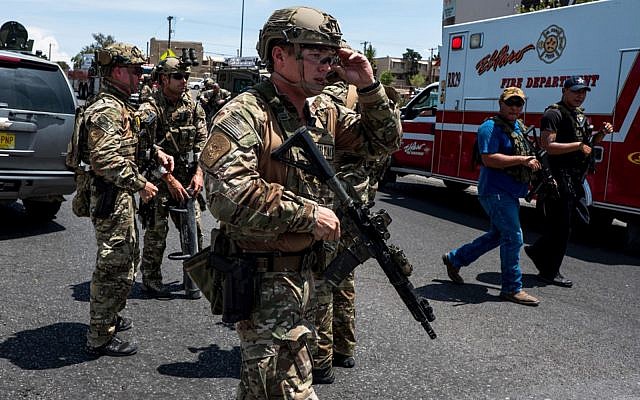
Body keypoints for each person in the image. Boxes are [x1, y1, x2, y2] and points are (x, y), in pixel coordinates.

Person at [198, 6, 401, 399]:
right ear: (279, 55)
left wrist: (371, 88)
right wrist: (308, 213)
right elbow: (226, 194)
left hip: (311, 277)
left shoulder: (323, 110)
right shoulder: (246, 113)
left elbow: (384, 143)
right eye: (318, 57)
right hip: (265, 280)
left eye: (332, 58)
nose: (329, 67)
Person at [307, 80, 402, 383]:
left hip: (332, 200)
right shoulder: (378, 97)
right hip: (359, 201)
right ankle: (344, 347)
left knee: (323, 278)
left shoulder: (326, 99)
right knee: (344, 276)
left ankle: (320, 357)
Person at [84, 43, 173, 356]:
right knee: (114, 264)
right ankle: (99, 335)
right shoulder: (107, 108)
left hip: (120, 194)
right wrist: (141, 183)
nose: (140, 76)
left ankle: (109, 316)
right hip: (112, 194)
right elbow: (104, 159)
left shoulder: (121, 105)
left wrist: (155, 152)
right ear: (117, 71)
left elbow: (128, 145)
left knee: (125, 258)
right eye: (135, 70)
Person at [442, 87, 542, 306]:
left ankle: (455, 258)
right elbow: (489, 159)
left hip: (510, 192)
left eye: (519, 104)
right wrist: (522, 160)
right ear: (501, 104)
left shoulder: (518, 127)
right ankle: (512, 288)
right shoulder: (489, 127)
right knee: (514, 237)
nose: (515, 108)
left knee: (498, 235)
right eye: (511, 103)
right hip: (495, 192)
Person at [524, 76, 614, 287]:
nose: (579, 96)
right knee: (562, 227)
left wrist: (601, 133)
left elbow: (588, 143)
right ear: (564, 91)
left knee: (576, 221)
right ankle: (549, 271)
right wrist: (577, 146)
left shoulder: (579, 115)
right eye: (575, 91)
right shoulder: (553, 114)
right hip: (558, 176)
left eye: (583, 92)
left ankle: (537, 250)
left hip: (575, 177)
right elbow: (548, 145)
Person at [138, 57, 208, 299]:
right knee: (157, 232)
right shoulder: (149, 108)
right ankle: (151, 280)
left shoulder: (193, 106)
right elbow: (144, 149)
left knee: (194, 231)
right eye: (178, 77)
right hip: (159, 180)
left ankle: (194, 281)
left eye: (186, 77)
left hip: (188, 180)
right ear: (164, 79)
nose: (184, 81)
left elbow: (204, 144)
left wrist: (198, 174)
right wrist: (168, 179)